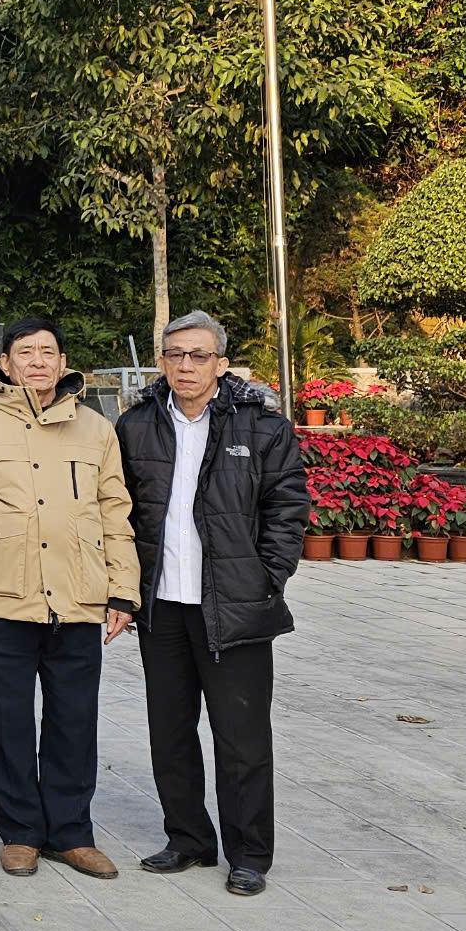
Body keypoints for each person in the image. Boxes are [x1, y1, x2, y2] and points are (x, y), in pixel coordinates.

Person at [115, 312, 310, 897]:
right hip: (163, 608)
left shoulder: (262, 427)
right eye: (175, 355)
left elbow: (287, 509)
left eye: (198, 355)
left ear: (222, 363)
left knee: (241, 736)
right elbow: (119, 510)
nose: (185, 366)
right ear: (162, 361)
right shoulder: (136, 426)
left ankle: (249, 853)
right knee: (170, 731)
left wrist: (265, 579)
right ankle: (188, 839)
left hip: (235, 607)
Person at [0, 316, 138, 880]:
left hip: (77, 598)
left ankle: (72, 832)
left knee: (75, 720)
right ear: (4, 363)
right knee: (8, 721)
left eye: (48, 351)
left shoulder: (96, 429)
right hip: (1, 600)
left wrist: (123, 590)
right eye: (26, 352)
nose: (38, 361)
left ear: (63, 361)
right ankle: (21, 831)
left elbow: (115, 514)